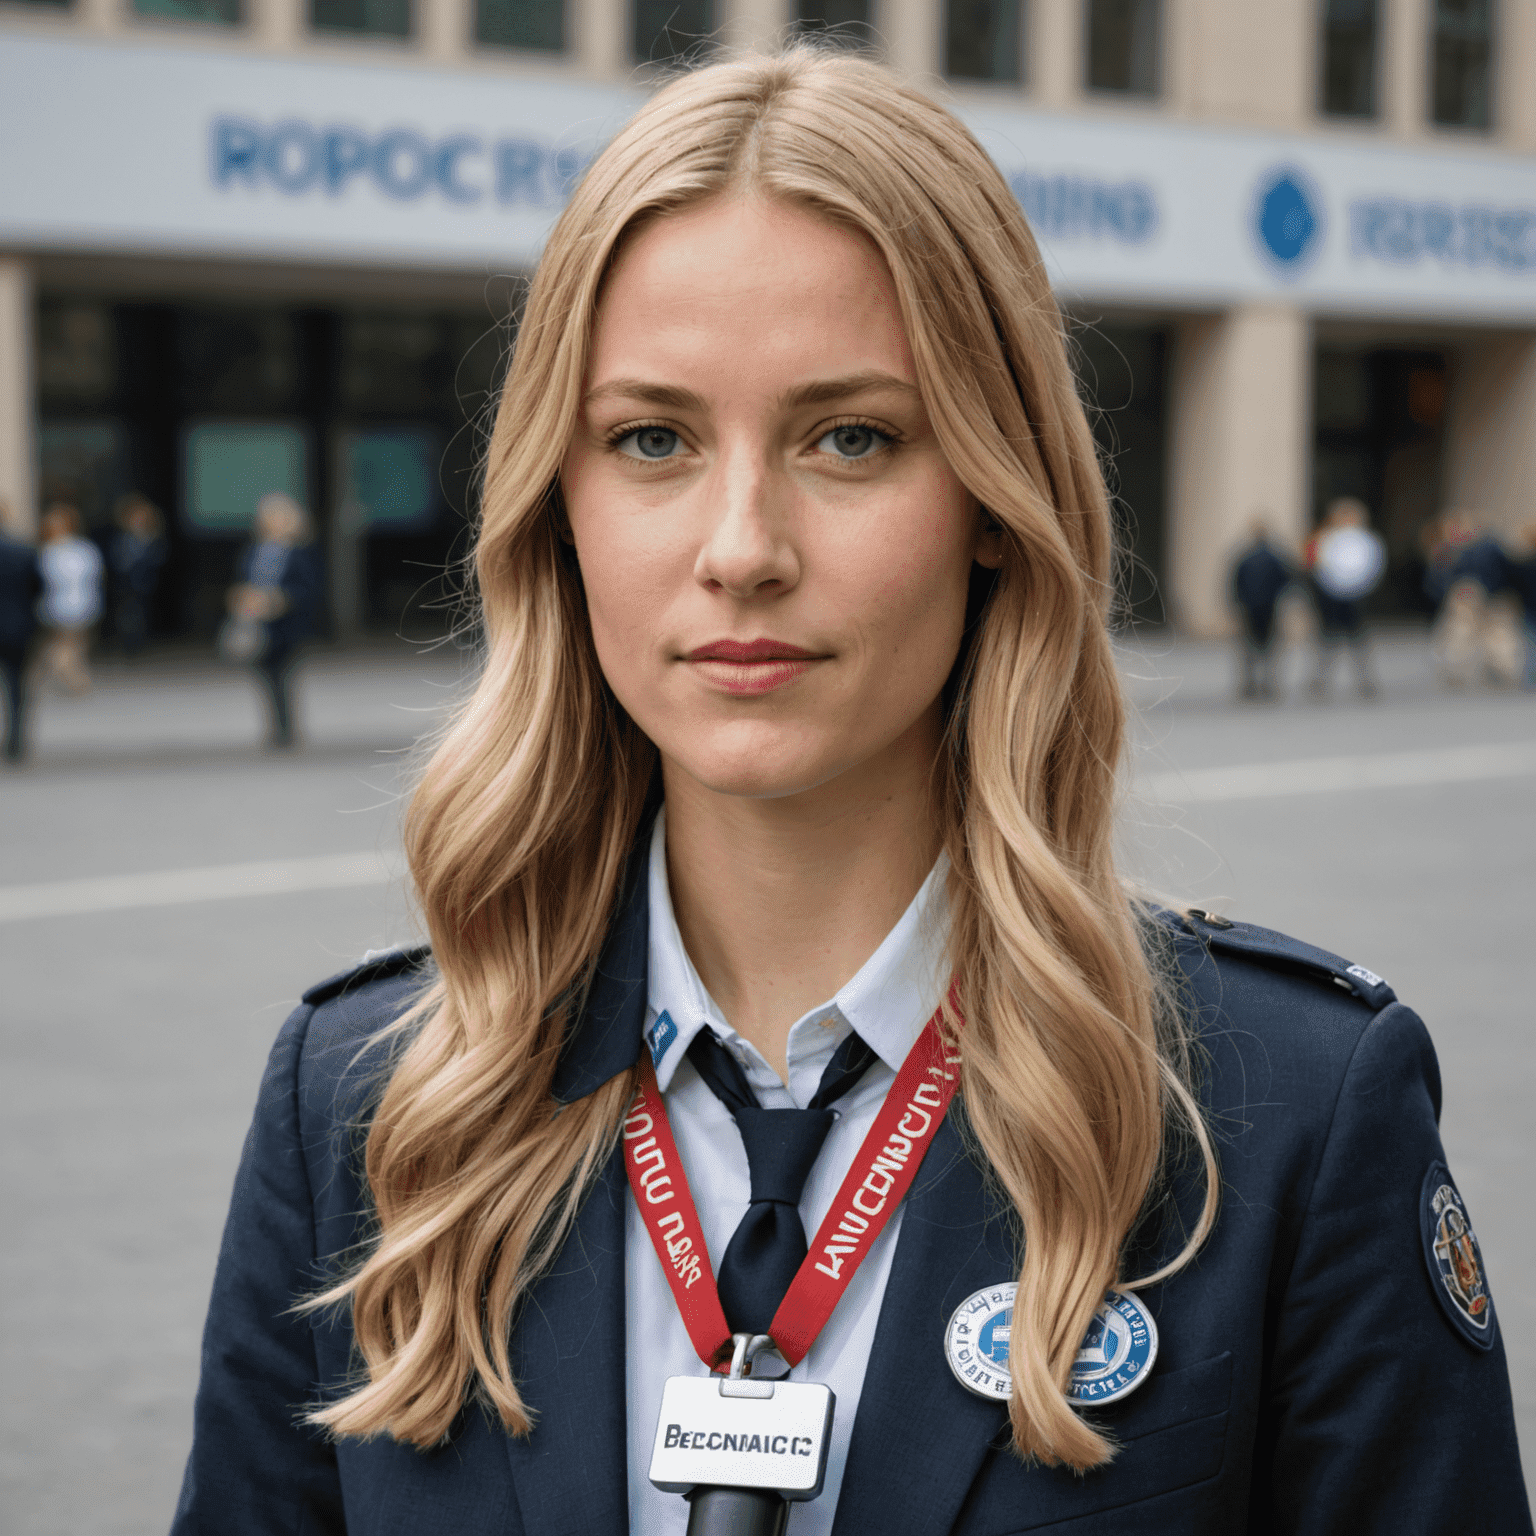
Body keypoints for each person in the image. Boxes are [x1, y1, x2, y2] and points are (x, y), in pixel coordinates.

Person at [173, 49, 1530, 1536]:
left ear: (999, 503)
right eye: (652, 440)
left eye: (852, 438)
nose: (742, 545)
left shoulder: (1291, 1114)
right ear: (557, 508)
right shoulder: (367, 1105)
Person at [226, 492, 321, 748]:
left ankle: (286, 729)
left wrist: (279, 600)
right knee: (265, 677)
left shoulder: (299, 553)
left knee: (284, 676)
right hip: (257, 623)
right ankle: (275, 727)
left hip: (286, 626)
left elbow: (308, 589)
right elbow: (244, 581)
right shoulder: (255, 551)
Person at [1307, 495, 1384, 699]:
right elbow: (1319, 564)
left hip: (1356, 595)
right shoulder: (1327, 538)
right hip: (1331, 595)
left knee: (1358, 640)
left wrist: (1363, 586)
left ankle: (1365, 679)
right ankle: (1320, 679)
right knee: (1327, 639)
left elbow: (1373, 565)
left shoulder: (1366, 540)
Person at [34, 501, 104, 696]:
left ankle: (73, 680)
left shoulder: (51, 552)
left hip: (62, 605)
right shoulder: (83, 549)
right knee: (71, 645)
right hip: (80, 604)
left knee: (65, 647)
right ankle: (75, 680)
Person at [1228, 516, 1292, 700]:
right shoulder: (1275, 556)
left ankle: (1251, 683)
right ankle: (1265, 682)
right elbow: (1286, 580)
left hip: (1249, 606)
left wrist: (1237, 602)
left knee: (1249, 646)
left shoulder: (1245, 557)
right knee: (1268, 646)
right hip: (1269, 606)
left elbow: (1235, 583)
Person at [0, 499, 41, 762]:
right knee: (17, 686)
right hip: (17, 627)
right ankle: (16, 740)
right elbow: (38, 587)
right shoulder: (22, 550)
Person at [109, 493, 168, 657]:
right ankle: (128, 645)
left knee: (142, 614)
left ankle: (140, 644)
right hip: (125, 585)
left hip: (145, 584)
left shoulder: (152, 539)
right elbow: (117, 560)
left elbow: (158, 558)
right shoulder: (122, 539)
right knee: (126, 615)